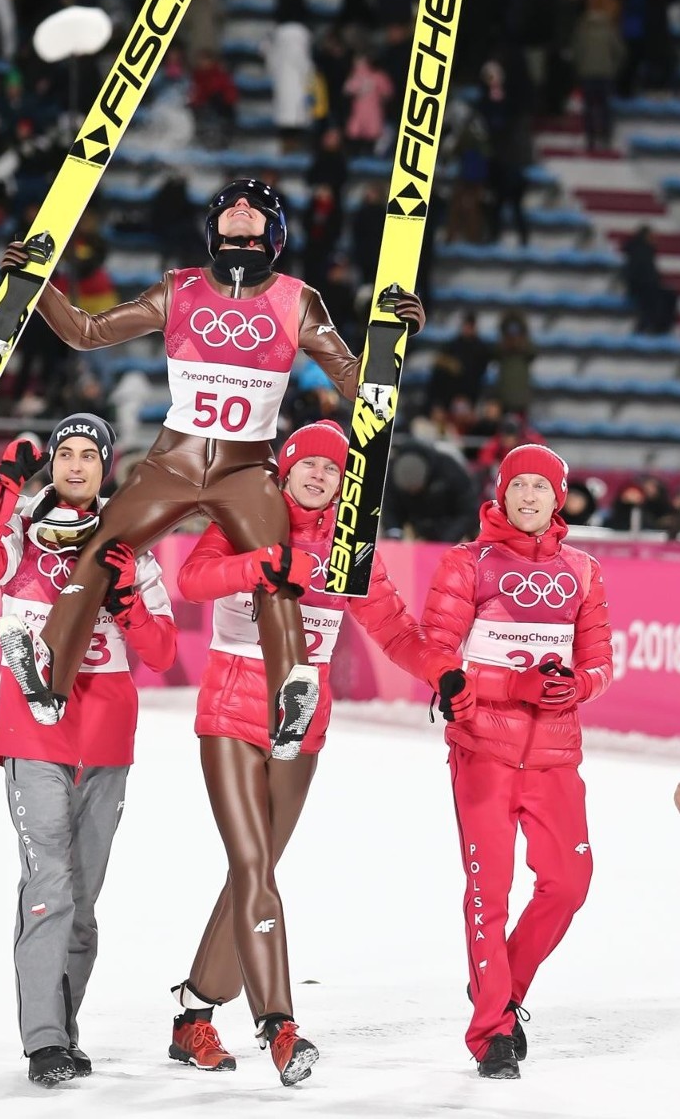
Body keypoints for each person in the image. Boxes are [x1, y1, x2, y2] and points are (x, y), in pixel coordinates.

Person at [0, 178, 425, 765]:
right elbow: (86, 332)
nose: (239, 207)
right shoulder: (179, 289)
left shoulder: (299, 299)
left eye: (253, 205)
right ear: (214, 227)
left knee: (275, 568)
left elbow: (356, 384)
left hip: (246, 468)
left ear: (272, 232)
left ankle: (291, 690)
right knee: (99, 552)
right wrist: (33, 286)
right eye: (228, 204)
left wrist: (392, 338)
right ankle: (49, 678)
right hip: (174, 459)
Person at [168, 419, 464, 1085]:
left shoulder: (350, 548)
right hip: (229, 713)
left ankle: (192, 1014)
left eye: (333, 470)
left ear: (343, 483)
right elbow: (194, 578)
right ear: (288, 467)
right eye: (310, 464)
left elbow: (396, 632)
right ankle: (280, 1026)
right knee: (252, 863)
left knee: (257, 869)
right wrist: (264, 564)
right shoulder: (249, 517)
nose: (320, 475)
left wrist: (442, 670)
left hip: (301, 727)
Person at [0, 413, 177, 1088]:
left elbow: (164, 652)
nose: (76, 465)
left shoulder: (127, 540)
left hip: (107, 733)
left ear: (106, 466)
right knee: (48, 885)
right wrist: (1, 482)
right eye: (66, 454)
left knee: (83, 902)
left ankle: (65, 1026)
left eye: (90, 455)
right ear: (51, 462)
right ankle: (44, 1042)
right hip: (33, 725)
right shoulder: (22, 524)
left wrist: (127, 600)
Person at [421, 444, 613, 1079]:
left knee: (569, 883)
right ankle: (491, 1034)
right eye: (517, 485)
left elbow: (600, 662)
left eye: (540, 486)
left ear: (559, 498)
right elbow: (437, 655)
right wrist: (509, 689)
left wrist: (574, 688)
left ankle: (503, 993)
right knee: (490, 892)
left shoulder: (583, 570)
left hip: (557, 755)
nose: (528, 496)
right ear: (500, 493)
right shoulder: (465, 564)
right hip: (483, 750)